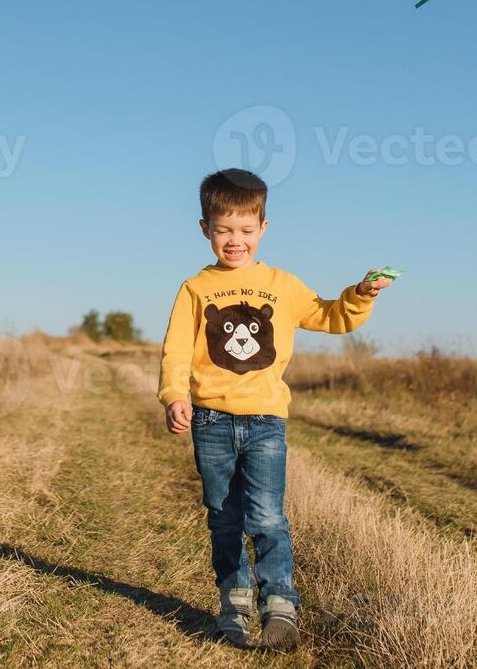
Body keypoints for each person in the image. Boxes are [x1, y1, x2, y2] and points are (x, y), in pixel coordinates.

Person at [157, 168, 393, 650]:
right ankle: (234, 600)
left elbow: (330, 316)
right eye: (224, 230)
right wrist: (174, 395)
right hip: (211, 420)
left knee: (266, 517)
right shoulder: (195, 289)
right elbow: (176, 350)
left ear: (263, 229)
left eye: (246, 230)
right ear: (205, 228)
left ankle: (280, 605)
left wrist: (360, 295)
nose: (235, 240)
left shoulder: (282, 285)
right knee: (223, 516)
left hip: (266, 420)